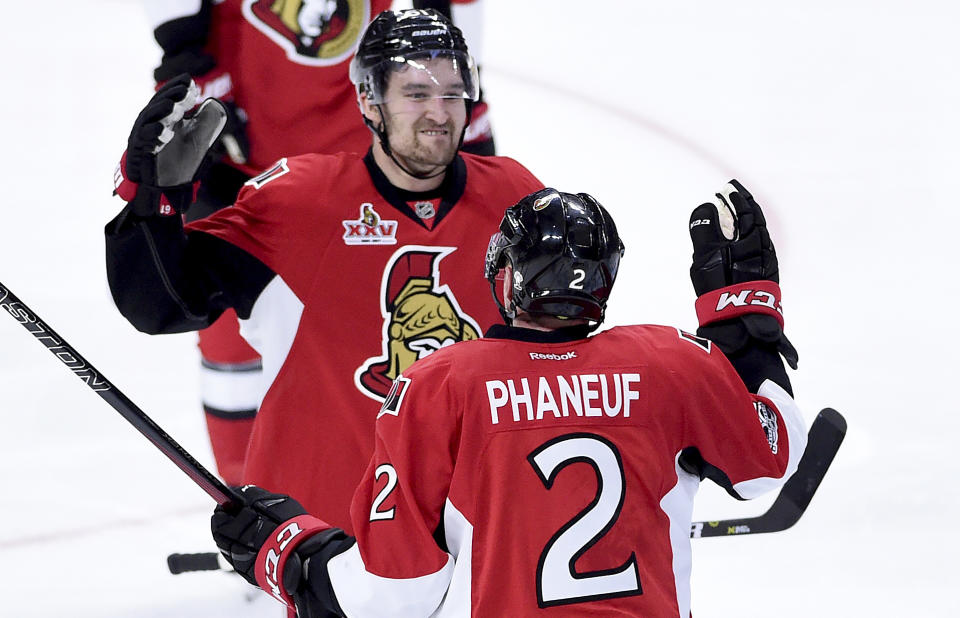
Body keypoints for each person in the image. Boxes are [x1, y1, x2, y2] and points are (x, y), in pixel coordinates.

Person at [208, 183, 808, 617]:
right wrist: (745, 333)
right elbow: (767, 466)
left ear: (505, 277)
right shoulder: (673, 363)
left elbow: (396, 593)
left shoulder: (440, 383)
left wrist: (293, 555)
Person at [107, 8, 543, 532]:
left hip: (484, 537)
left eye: (453, 92)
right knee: (230, 359)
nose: (439, 113)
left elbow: (564, 364)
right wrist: (153, 205)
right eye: (416, 94)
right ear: (369, 101)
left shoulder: (512, 197)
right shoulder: (299, 205)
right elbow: (160, 304)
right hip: (330, 554)